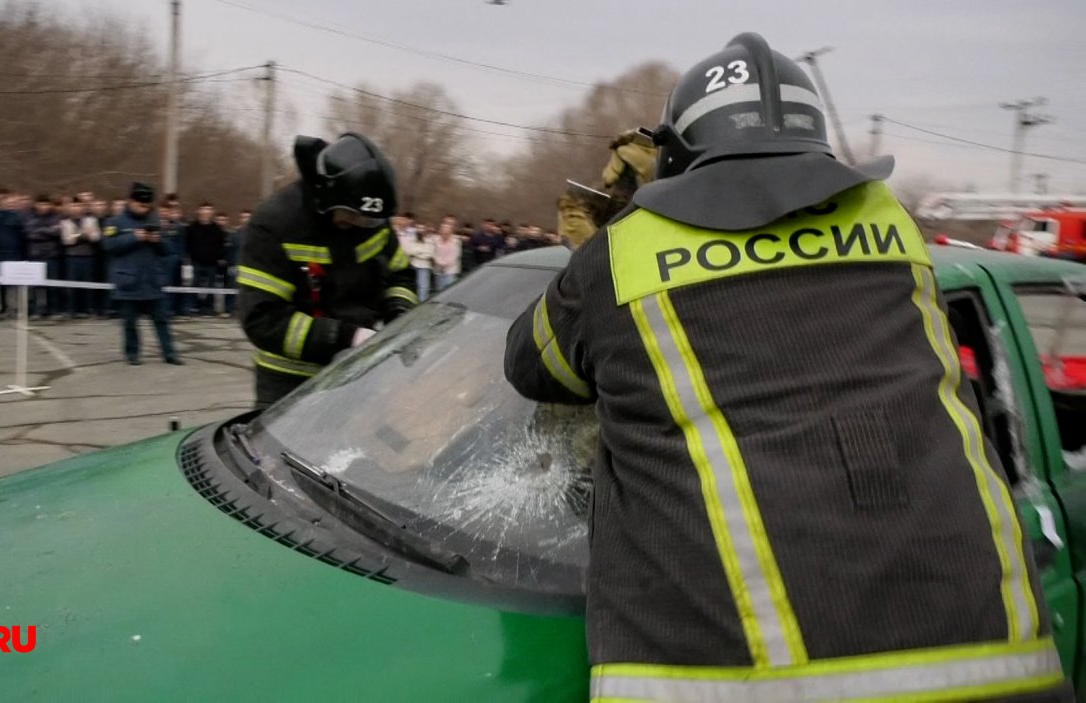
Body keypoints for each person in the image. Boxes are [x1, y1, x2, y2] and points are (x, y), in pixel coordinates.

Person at [504, 33, 1070, 702]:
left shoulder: (621, 254)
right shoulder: (893, 226)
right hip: (995, 666)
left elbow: (533, 365)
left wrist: (624, 225)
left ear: (676, 156)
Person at [237, 132, 416, 409]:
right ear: (328, 197)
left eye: (369, 219)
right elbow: (262, 320)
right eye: (352, 216)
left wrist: (399, 316)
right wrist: (346, 337)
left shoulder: (370, 219)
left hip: (357, 371)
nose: (360, 224)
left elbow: (400, 275)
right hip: (289, 381)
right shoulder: (275, 225)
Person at [104, 183, 181, 366]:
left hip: (152, 281)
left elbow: (169, 249)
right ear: (131, 201)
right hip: (128, 281)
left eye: (147, 206)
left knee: (162, 320)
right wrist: (135, 237)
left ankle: (170, 354)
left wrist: (158, 240)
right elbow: (108, 245)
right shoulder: (115, 222)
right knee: (130, 322)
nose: (144, 209)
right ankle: (132, 354)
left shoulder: (156, 221)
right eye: (141, 205)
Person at [60, 198, 101, 317]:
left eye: (78, 206)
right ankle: (72, 309)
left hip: (88, 256)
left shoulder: (91, 221)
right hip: (72, 257)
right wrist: (81, 235)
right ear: (69, 208)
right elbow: (66, 240)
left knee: (89, 283)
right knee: (72, 284)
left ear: (83, 207)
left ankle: (89, 308)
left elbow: (96, 237)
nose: (76, 209)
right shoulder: (65, 222)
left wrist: (78, 237)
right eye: (73, 206)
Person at [185, 202, 227, 316]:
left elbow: (221, 245)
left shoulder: (217, 229)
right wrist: (190, 256)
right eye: (203, 209)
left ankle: (208, 307)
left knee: (211, 285)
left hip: (212, 263)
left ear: (212, 212)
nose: (206, 212)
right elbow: (188, 244)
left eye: (208, 210)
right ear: (199, 211)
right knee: (195, 284)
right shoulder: (192, 228)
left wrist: (219, 257)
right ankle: (193, 307)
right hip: (197, 262)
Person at [24, 195, 62, 319]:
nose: (43, 207)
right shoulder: (30, 217)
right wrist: (47, 231)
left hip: (52, 255)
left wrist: (40, 230)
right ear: (36, 205)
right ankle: (37, 310)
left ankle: (54, 310)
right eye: (41, 204)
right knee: (36, 285)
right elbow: (30, 234)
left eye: (46, 204)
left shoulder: (56, 217)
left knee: (53, 285)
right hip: (36, 255)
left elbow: (57, 232)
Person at [405, 226, 435, 301]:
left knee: (424, 287)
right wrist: (421, 253)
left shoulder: (430, 241)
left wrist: (417, 254)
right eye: (419, 230)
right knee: (415, 285)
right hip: (414, 265)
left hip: (424, 266)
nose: (421, 232)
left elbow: (429, 254)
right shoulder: (412, 241)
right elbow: (410, 252)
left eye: (422, 230)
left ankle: (422, 302)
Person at [432, 215, 461, 292]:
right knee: (439, 290)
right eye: (442, 231)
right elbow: (434, 253)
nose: (444, 233)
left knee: (449, 290)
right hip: (438, 268)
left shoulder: (456, 240)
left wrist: (445, 264)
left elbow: (455, 255)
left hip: (450, 270)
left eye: (447, 231)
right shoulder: (435, 239)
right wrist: (439, 263)